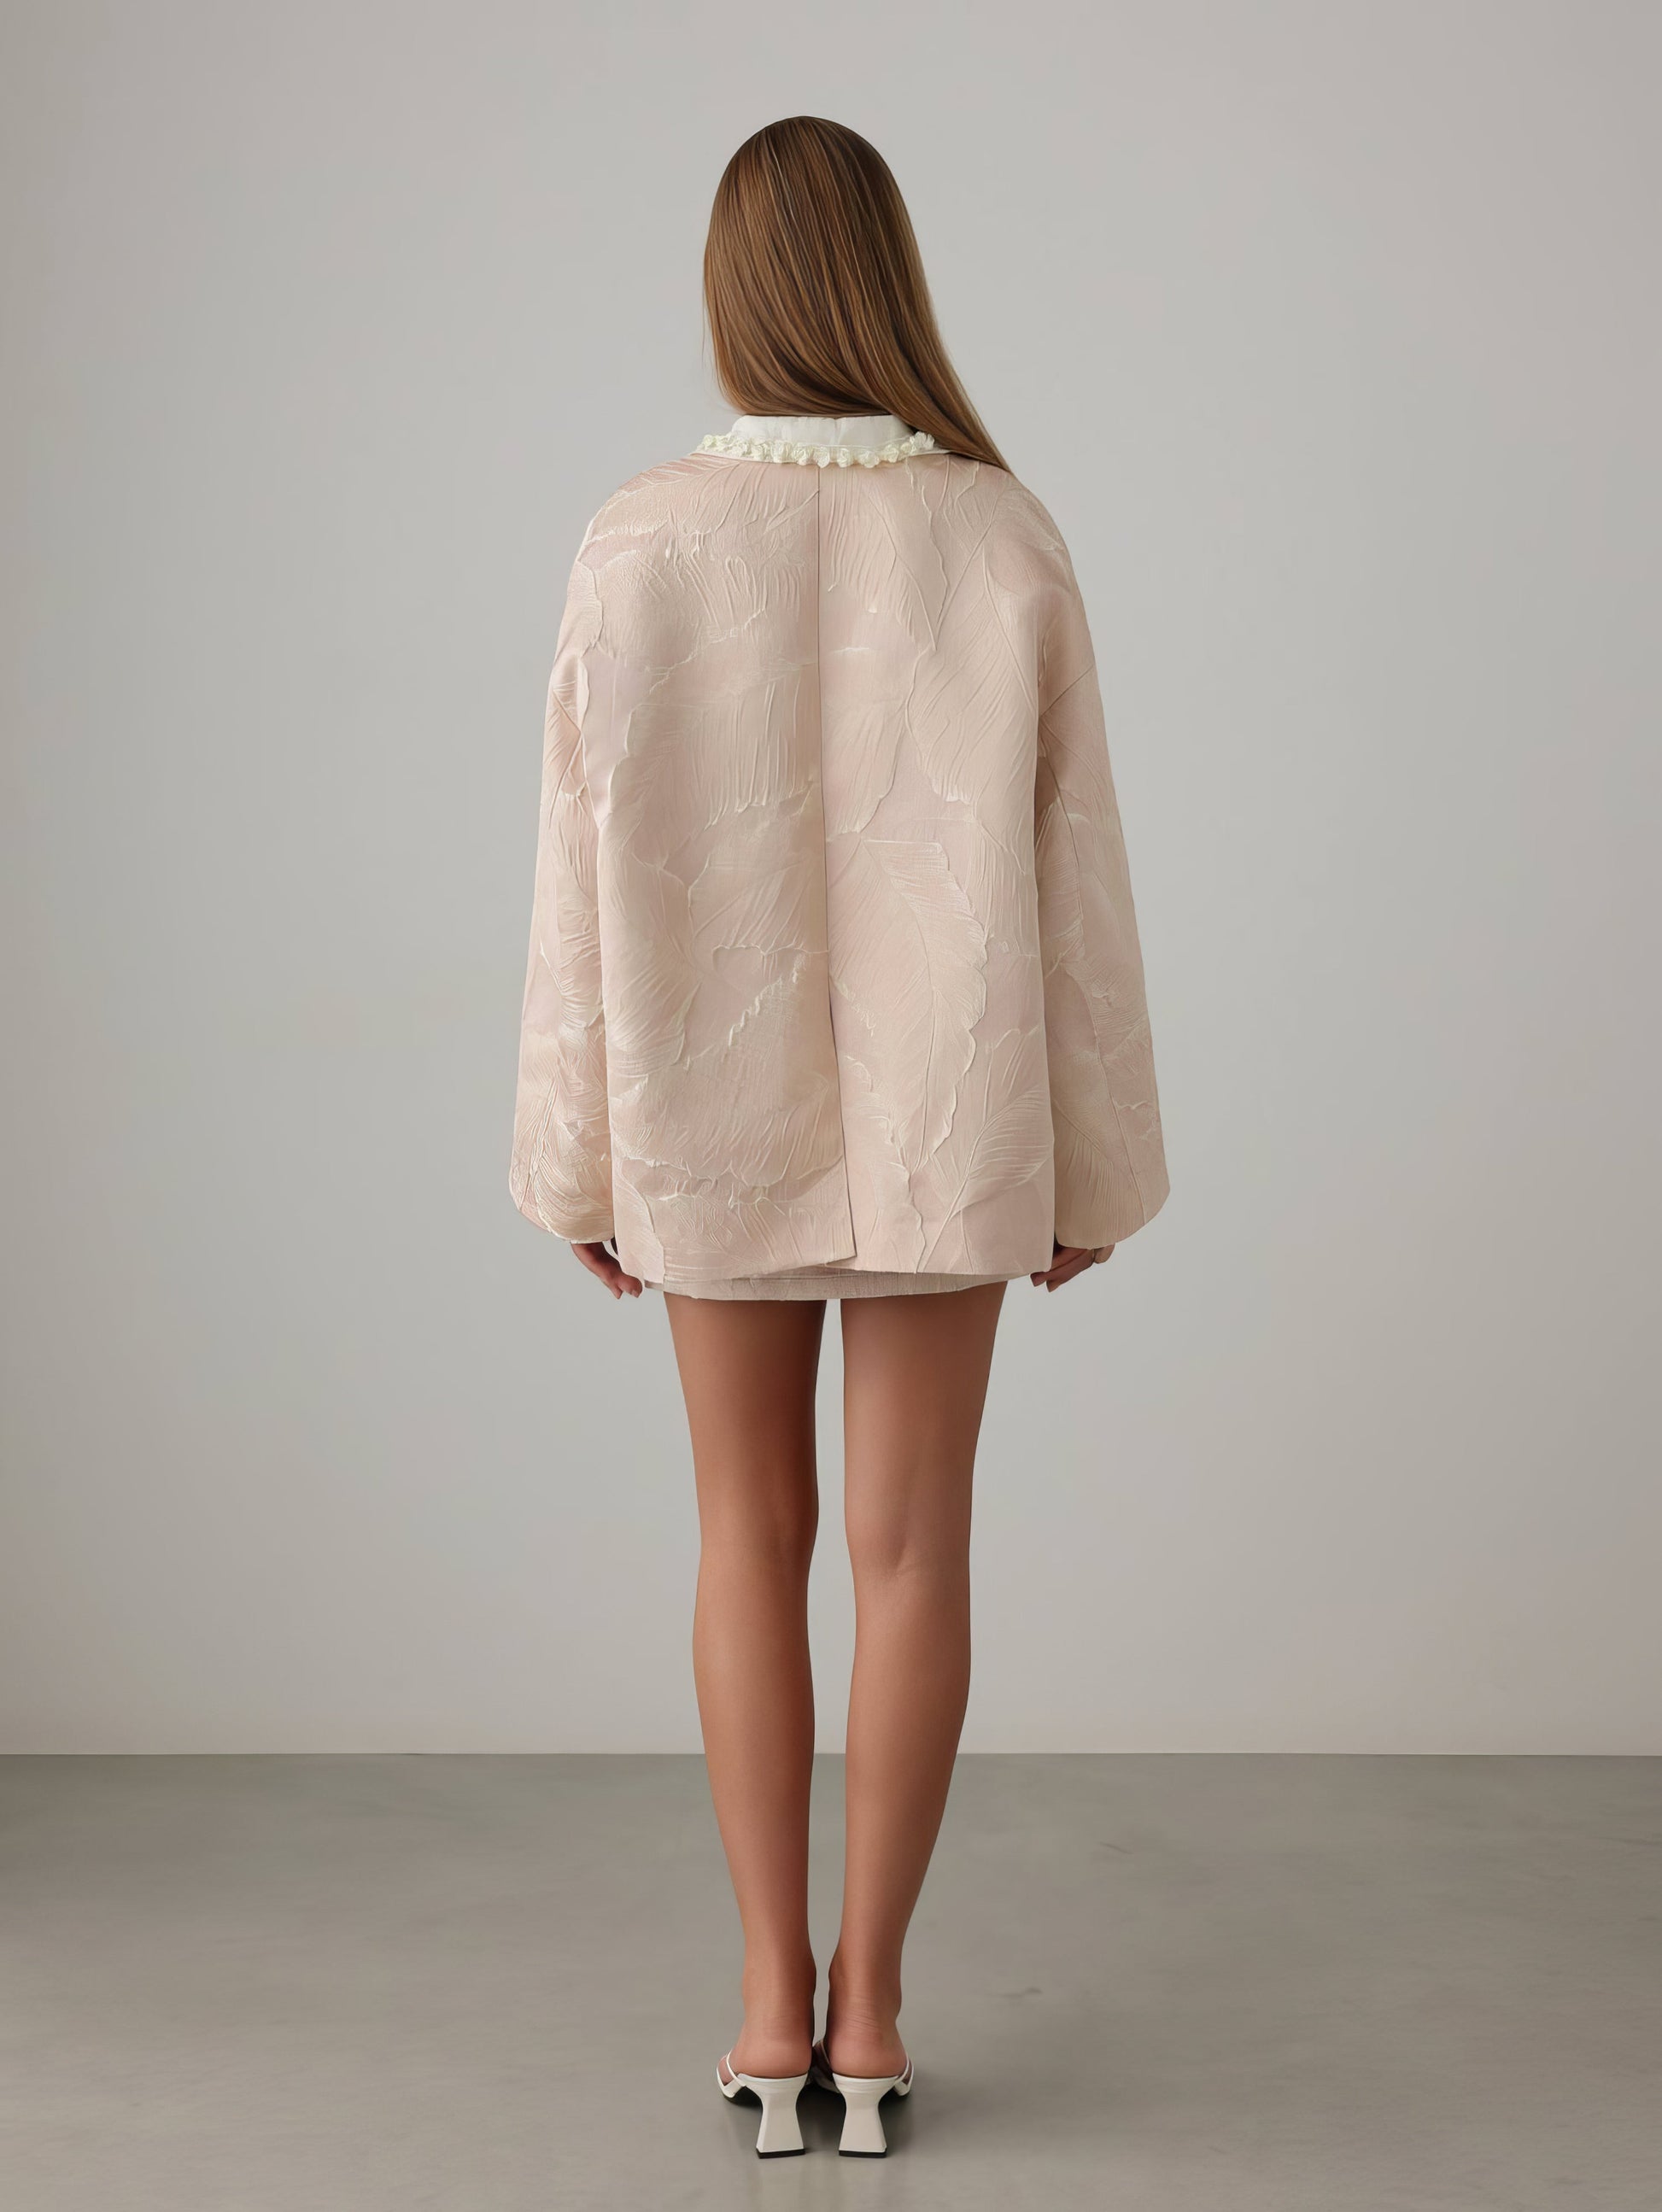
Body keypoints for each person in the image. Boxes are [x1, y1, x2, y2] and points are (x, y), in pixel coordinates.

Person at [509, 114, 1168, 2158]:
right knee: (910, 1546)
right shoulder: (999, 529)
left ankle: (762, 1999)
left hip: (704, 1109)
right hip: (949, 1114)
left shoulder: (638, 537)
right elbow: (1074, 870)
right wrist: (1090, 1156)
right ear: (888, 279)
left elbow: (574, 867)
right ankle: (869, 2012)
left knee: (746, 1532)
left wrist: (575, 1152)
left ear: (732, 289)